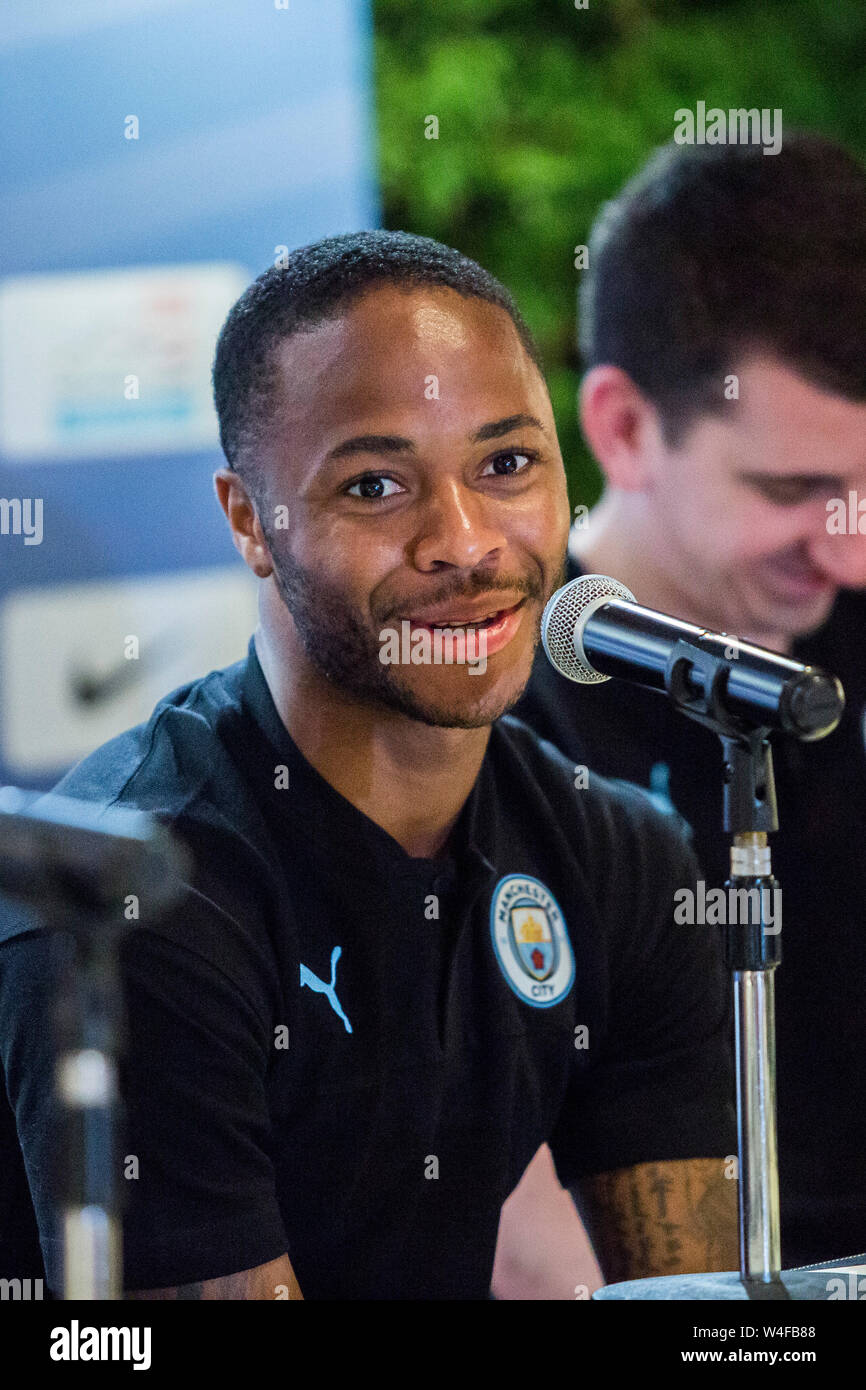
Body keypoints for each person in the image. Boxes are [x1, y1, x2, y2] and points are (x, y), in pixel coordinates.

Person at [0, 232, 738, 1300]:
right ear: (251, 522)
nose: (465, 541)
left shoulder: (620, 858)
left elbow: (699, 1321)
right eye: (377, 483)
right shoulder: (137, 902)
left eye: (505, 464)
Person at [510, 133, 866, 1288]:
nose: (846, 550)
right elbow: (507, 1222)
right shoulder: (488, 713)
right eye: (791, 491)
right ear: (619, 427)